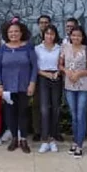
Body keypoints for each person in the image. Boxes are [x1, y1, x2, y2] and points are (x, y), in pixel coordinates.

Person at [0, 18, 37, 154]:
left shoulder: (28, 47)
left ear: (21, 33)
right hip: (8, 88)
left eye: (16, 31)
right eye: (11, 32)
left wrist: (32, 83)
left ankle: (23, 139)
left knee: (23, 113)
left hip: (24, 86)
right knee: (10, 114)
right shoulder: (3, 49)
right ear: (7, 34)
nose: (13, 34)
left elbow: (34, 67)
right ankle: (14, 138)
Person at [59, 26, 87, 158]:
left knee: (81, 115)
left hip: (83, 86)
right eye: (73, 35)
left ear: (82, 37)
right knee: (73, 116)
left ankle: (79, 145)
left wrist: (80, 73)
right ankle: (74, 141)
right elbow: (60, 65)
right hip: (69, 85)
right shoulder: (65, 48)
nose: (76, 38)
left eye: (78, 35)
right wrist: (66, 71)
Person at [36, 25, 62, 154]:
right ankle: (44, 140)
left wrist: (58, 72)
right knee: (44, 109)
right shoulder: (38, 49)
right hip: (43, 78)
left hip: (56, 78)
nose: (49, 36)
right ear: (43, 35)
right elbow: (35, 67)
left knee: (55, 108)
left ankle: (52, 139)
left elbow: (62, 64)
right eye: (47, 34)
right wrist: (46, 74)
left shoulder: (60, 48)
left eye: (52, 34)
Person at [31, 14, 52, 142]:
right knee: (37, 105)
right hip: (38, 76)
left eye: (46, 22)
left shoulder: (56, 39)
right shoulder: (33, 40)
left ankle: (51, 131)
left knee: (52, 105)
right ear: (38, 25)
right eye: (42, 23)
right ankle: (37, 131)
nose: (44, 25)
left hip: (53, 76)